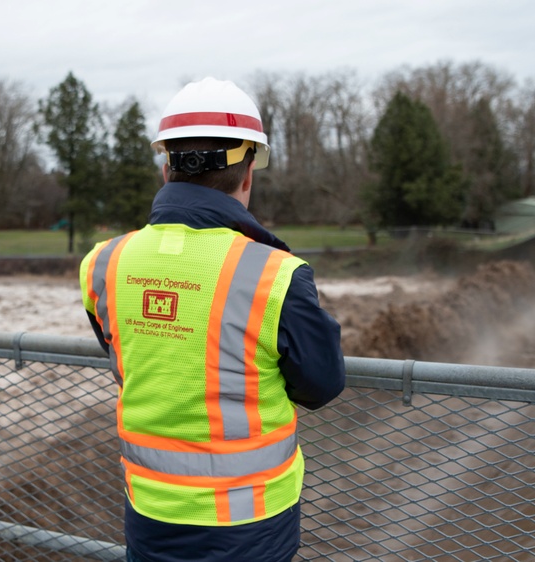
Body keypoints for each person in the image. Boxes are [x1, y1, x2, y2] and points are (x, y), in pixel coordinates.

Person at [79, 77, 345, 562]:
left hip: (150, 511)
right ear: (248, 174)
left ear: (166, 168)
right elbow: (321, 385)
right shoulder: (275, 274)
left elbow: (122, 352)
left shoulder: (103, 263)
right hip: (252, 522)